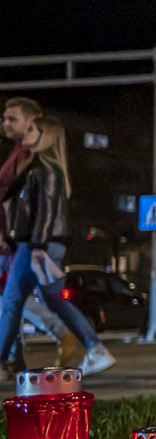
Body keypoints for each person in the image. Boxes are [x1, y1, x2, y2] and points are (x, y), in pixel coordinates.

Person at [0, 116, 116, 380]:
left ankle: (2, 360)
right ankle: (95, 348)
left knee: (10, 302)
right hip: (41, 245)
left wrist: (38, 246)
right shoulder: (45, 172)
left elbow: (45, 212)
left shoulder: (46, 172)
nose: (26, 135)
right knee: (52, 301)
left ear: (46, 137)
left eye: (32, 130)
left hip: (34, 245)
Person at [1, 97, 85, 370]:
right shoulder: (19, 154)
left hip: (21, 241)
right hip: (18, 240)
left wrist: (30, 242)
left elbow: (32, 207)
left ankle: (64, 336)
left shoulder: (34, 160)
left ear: (32, 121)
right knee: (12, 299)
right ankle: (14, 356)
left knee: (14, 298)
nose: (5, 124)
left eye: (12, 118)